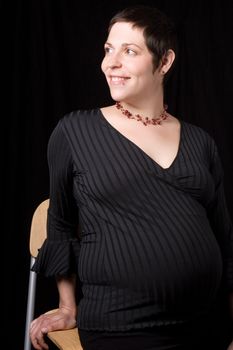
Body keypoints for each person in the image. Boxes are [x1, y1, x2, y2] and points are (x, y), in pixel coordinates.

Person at [29, 5, 233, 350]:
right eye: (109, 50)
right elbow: (61, 223)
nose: (111, 63)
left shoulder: (200, 141)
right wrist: (67, 306)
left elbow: (224, 240)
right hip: (122, 328)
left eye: (130, 51)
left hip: (206, 326)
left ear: (164, 62)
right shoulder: (76, 131)